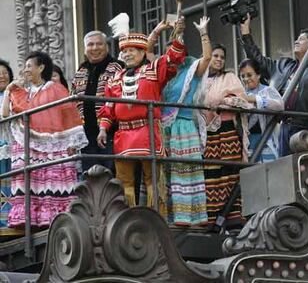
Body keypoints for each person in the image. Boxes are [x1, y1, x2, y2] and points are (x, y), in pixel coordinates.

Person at [97, 19, 186, 211]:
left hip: (148, 131)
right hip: (123, 134)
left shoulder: (153, 70)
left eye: (132, 51)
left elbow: (173, 59)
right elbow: (108, 107)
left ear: (142, 52)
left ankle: (157, 218)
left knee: (153, 178)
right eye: (124, 51)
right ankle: (126, 219)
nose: (127, 54)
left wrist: (177, 34)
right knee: (124, 181)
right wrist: (103, 129)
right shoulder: (115, 79)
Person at [2, 51, 88, 228]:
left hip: (52, 144)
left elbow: (68, 115)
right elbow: (5, 114)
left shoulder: (55, 88)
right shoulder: (25, 93)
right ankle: (30, 218)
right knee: (30, 179)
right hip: (28, 144)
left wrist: (71, 142)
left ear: (41, 67)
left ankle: (53, 217)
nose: (25, 70)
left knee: (50, 179)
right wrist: (10, 88)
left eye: (28, 66)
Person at [240, 14, 308, 156]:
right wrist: (246, 33)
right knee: (286, 171)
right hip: (285, 128)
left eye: (301, 39)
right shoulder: (283, 66)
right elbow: (258, 60)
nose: (296, 41)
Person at [160, 16, 211, 226]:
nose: (173, 55)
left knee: (186, 170)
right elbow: (145, 53)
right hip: (164, 129)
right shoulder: (162, 71)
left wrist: (203, 33)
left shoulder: (190, 68)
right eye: (170, 52)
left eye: (177, 50)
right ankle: (169, 217)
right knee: (165, 172)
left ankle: (191, 217)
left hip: (184, 126)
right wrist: (163, 29)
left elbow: (207, 59)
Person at [194, 43, 249, 229]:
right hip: (206, 133)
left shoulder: (229, 77)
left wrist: (223, 101)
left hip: (227, 131)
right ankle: (212, 220)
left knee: (229, 172)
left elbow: (242, 100)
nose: (218, 59)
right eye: (215, 56)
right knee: (210, 174)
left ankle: (233, 220)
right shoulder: (199, 80)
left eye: (222, 57)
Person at [71, 31, 123, 172]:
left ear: (107, 47)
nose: (95, 48)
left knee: (112, 176)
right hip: (87, 136)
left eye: (99, 44)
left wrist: (106, 126)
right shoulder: (81, 70)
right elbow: (73, 103)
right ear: (85, 49)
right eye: (90, 44)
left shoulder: (117, 67)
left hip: (112, 133)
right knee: (90, 177)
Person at [239, 58, 284, 162]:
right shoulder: (240, 93)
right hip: (248, 143)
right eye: (243, 76)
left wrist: (255, 99)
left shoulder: (267, 90)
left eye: (249, 75)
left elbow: (280, 105)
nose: (246, 79)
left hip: (266, 141)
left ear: (258, 75)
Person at [0, 59, 20, 236]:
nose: (2, 76)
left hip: (12, 144)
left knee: (12, 181)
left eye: (5, 73)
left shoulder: (16, 94)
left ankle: (11, 219)